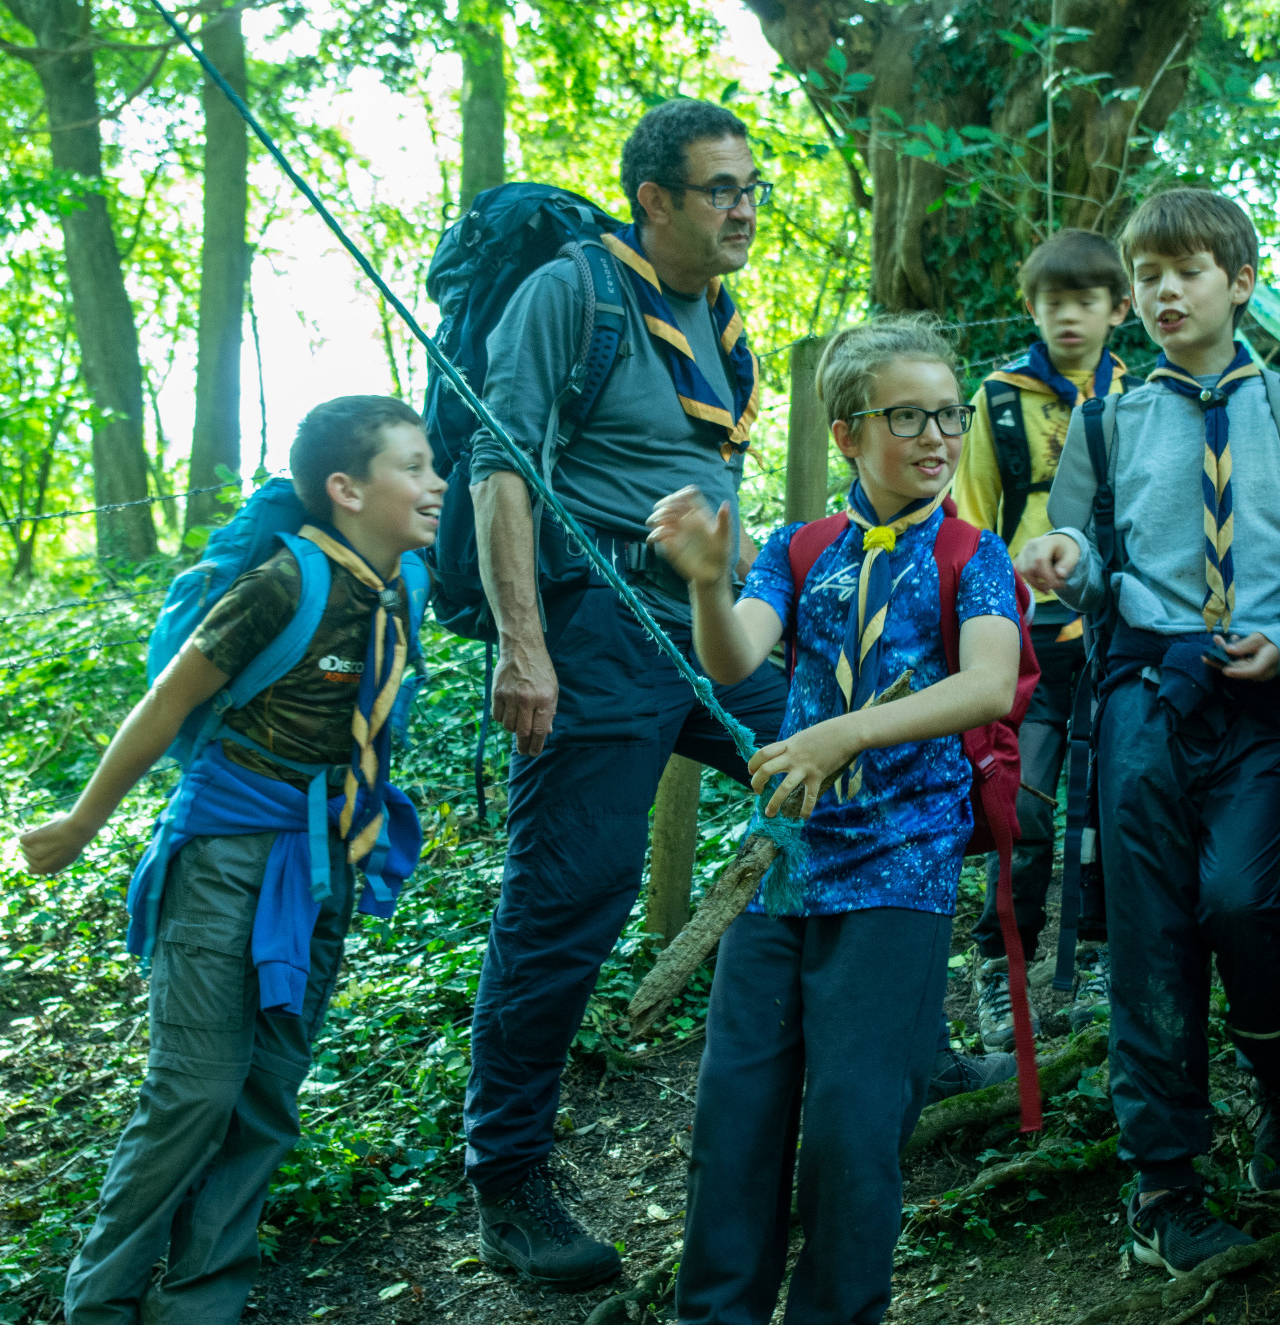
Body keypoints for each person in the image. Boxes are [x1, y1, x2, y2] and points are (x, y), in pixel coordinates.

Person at [19, 396, 445, 1324]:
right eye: (413, 466)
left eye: (432, 464)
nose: (436, 482)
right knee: (196, 1089)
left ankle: (199, 1304)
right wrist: (81, 822)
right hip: (224, 856)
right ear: (346, 488)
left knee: (267, 1091)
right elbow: (168, 703)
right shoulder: (281, 585)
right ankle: (101, 1303)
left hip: (325, 860)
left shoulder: (403, 582)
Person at [461, 98, 789, 1290]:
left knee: (839, 766)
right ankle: (508, 1181)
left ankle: (890, 1051)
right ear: (653, 199)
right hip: (596, 623)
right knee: (569, 898)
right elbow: (500, 465)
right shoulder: (576, 292)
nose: (741, 208)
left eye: (750, 186)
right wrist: (523, 643)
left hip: (707, 621)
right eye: (718, 188)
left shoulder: (724, 320)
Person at [645, 315, 1022, 1325]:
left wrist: (843, 734)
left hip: (902, 866)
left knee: (855, 1124)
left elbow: (988, 684)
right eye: (908, 417)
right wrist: (707, 583)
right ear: (848, 433)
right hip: (784, 864)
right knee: (737, 1113)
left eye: (948, 415)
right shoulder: (801, 547)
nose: (937, 436)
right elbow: (735, 655)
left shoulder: (975, 553)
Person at [1019, 188, 1280, 1272]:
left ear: (1240, 282)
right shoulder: (1106, 420)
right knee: (1151, 934)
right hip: (1141, 698)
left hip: (1256, 701)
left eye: (1188, 272)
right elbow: (1084, 546)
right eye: (1148, 276)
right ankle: (1162, 1185)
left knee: (1248, 906)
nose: (1165, 292)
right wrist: (1065, 559)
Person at [950, 228, 1134, 1051]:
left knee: (1105, 807)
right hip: (1022, 641)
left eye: (1086, 300)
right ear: (1031, 307)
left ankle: (1097, 957)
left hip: (1114, 633)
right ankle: (1001, 967)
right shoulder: (995, 400)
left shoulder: (1141, 395)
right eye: (1053, 300)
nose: (1069, 315)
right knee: (1019, 810)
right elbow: (970, 518)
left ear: (1118, 308)